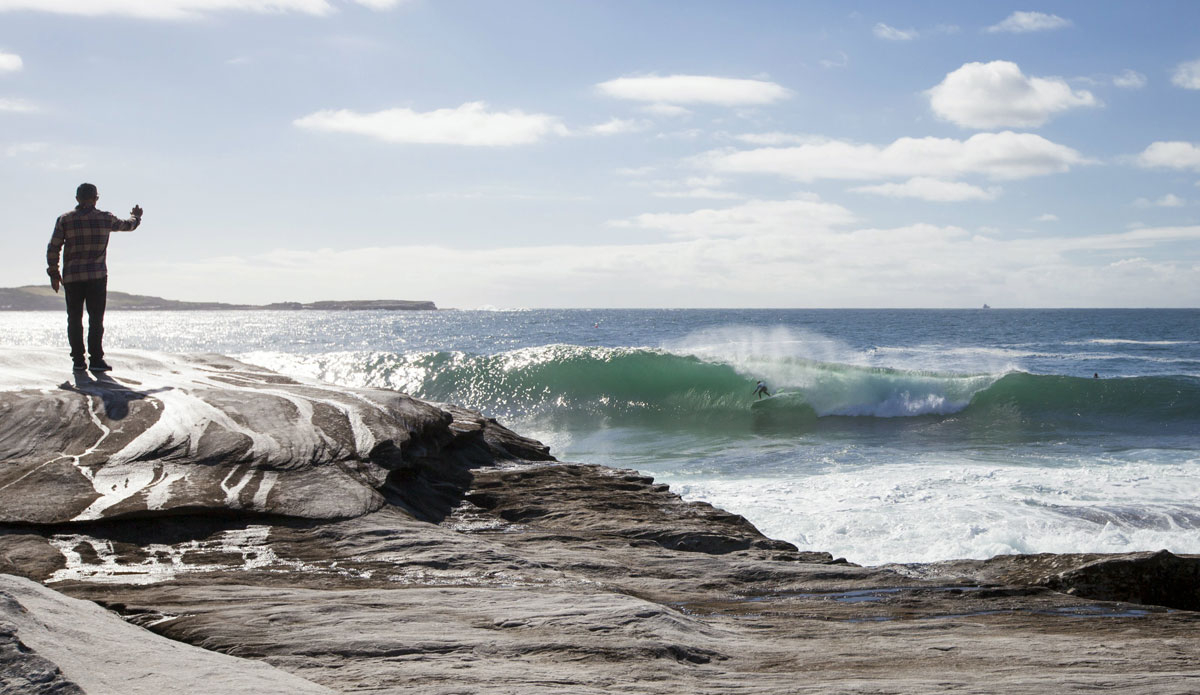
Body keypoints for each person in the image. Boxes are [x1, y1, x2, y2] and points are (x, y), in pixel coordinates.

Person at [46, 183, 144, 372]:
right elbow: (128, 226)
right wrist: (136, 216)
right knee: (96, 320)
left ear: (77, 198)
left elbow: (53, 247)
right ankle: (96, 360)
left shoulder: (65, 220)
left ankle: (78, 361)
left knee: (74, 319)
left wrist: (54, 273)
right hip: (97, 277)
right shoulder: (105, 218)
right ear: (96, 198)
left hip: (72, 278)